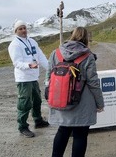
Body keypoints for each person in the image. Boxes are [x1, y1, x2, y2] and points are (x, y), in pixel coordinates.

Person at [45, 27, 104, 157]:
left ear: (72, 36)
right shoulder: (88, 57)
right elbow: (93, 83)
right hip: (82, 103)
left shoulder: (56, 53)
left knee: (62, 131)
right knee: (80, 135)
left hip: (61, 100)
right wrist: (100, 103)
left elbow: (48, 77)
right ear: (86, 39)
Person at [8, 20, 49, 138]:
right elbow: (17, 62)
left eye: (24, 28)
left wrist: (50, 69)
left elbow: (40, 57)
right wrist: (29, 65)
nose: (23, 30)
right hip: (23, 78)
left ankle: (38, 120)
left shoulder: (32, 42)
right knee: (25, 102)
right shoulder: (14, 44)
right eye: (20, 29)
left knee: (37, 100)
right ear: (16, 31)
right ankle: (22, 126)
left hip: (33, 77)